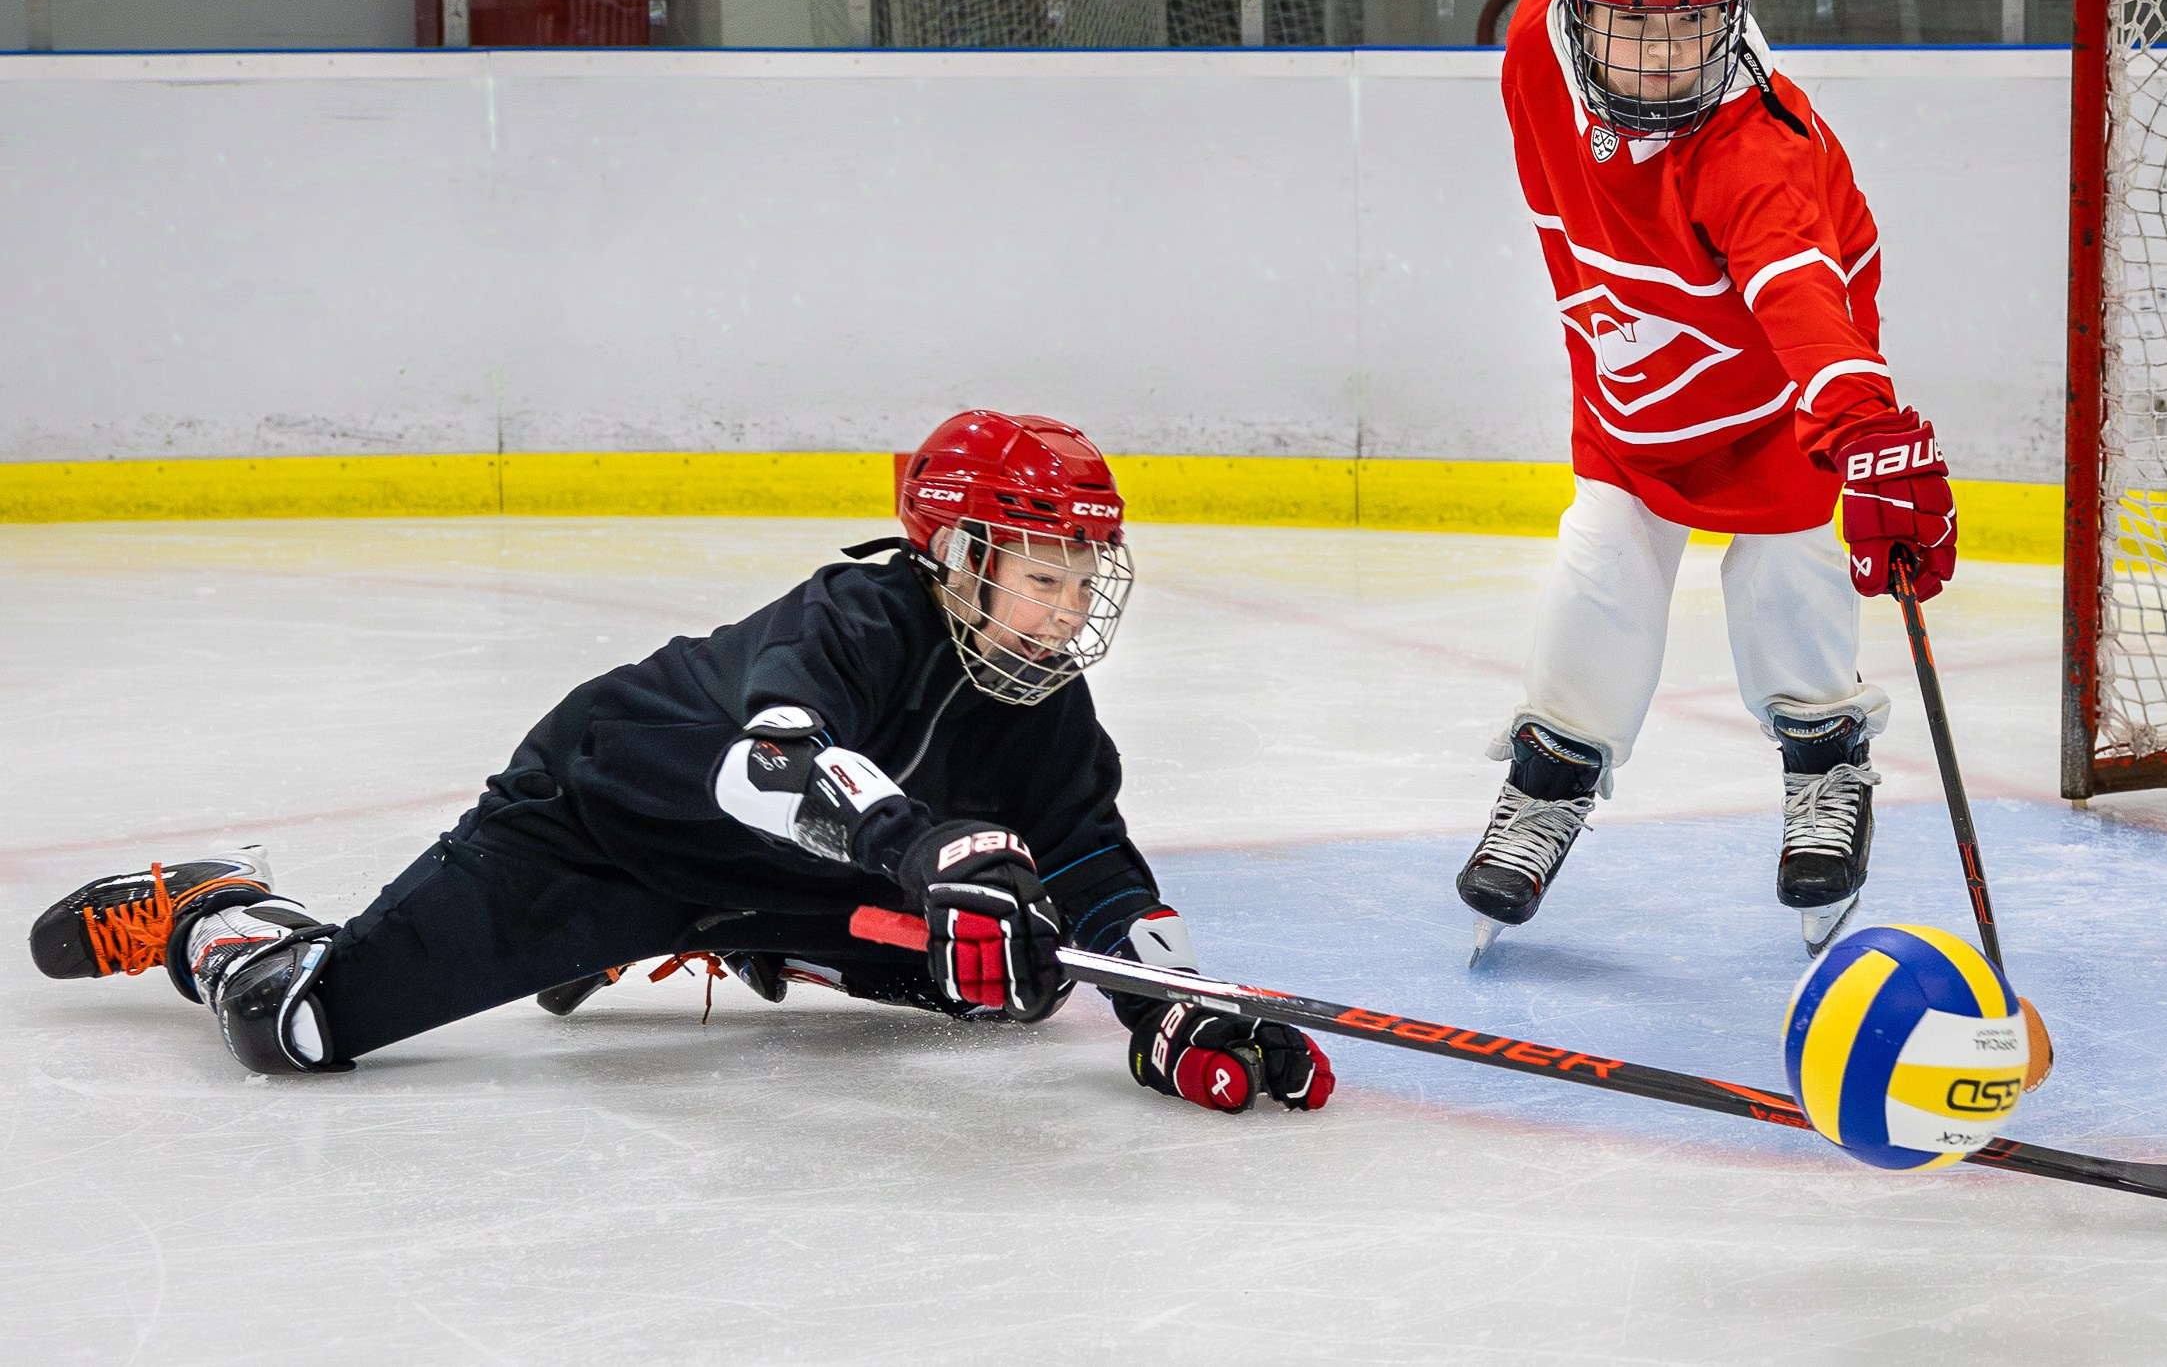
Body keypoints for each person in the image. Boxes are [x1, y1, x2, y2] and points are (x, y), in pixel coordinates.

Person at [29, 410, 1333, 1117]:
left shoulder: (1042, 695)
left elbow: (1093, 853)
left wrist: (1175, 1000)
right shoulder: (860, 616)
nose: (1067, 607)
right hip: (604, 825)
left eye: (1083, 576)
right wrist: (928, 848)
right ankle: (218, 911)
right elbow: (771, 766)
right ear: (962, 556)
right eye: (1045, 575)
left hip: (765, 876)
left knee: (1009, 965)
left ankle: (757, 936)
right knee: (297, 1027)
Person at [1456, 0, 1959, 959]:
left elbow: (1798, 299)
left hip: (1781, 384)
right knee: (1604, 554)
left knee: (1785, 566)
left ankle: (1826, 766)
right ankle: (1547, 786)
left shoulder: (1754, 153)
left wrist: (1866, 431)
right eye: (1633, 27)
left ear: (1730, 13)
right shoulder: (1534, 42)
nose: (1663, 56)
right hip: (1635, 392)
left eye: (1692, 25)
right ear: (1579, 10)